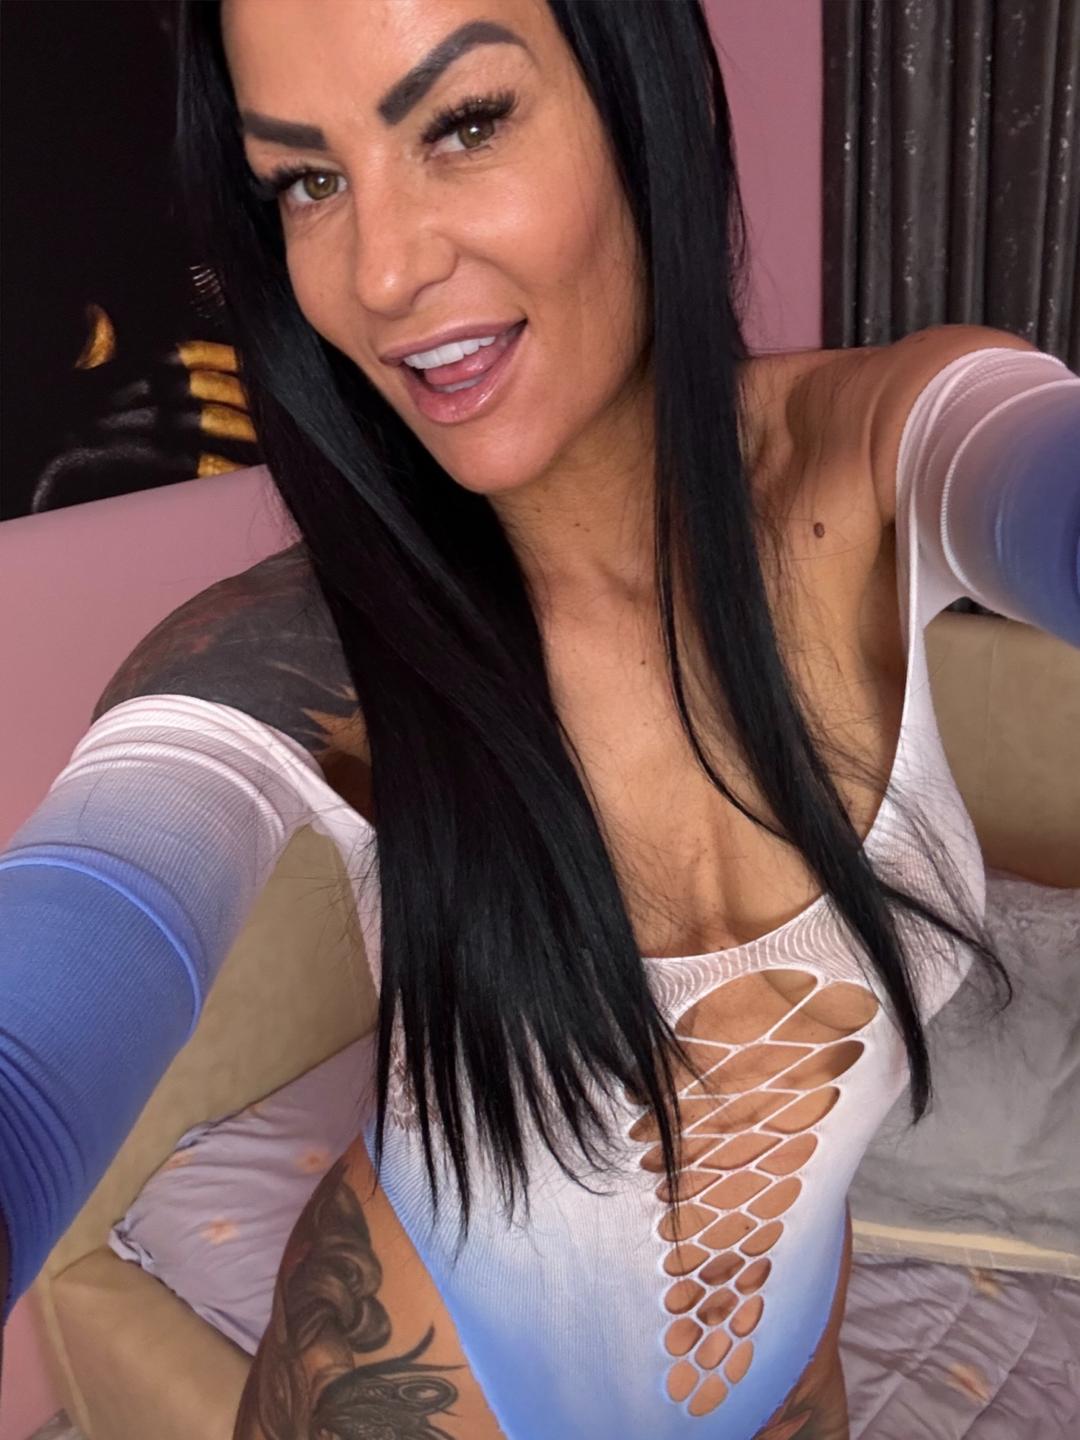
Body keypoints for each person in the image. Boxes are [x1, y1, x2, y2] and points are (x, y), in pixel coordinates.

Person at [1, 1, 1077, 1435]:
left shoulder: (881, 451)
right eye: (307, 181)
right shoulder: (293, 656)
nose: (381, 271)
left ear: (647, 103)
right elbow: (55, 993)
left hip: (786, 1383)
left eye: (464, 123)